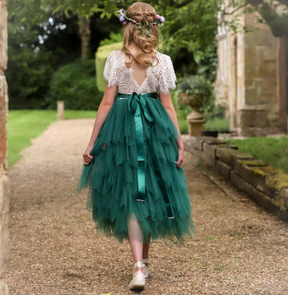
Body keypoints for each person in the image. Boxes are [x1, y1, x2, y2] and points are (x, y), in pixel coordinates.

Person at [78, 2, 194, 291]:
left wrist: (92, 142)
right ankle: (141, 265)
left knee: (135, 193)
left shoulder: (118, 60)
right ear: (153, 28)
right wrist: (178, 140)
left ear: (127, 27)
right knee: (148, 192)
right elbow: (167, 106)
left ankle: (140, 265)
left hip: (123, 130)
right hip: (155, 129)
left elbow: (107, 103)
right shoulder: (162, 61)